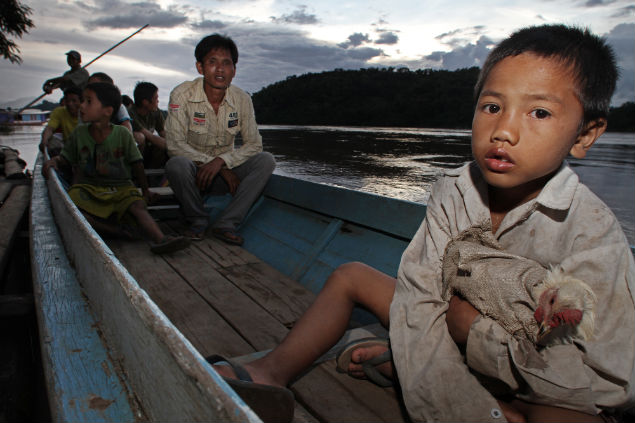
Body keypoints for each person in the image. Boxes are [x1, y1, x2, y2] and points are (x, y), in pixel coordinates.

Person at [210, 24, 635, 422]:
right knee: (351, 275)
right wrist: (467, 397)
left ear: (585, 134)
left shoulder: (593, 236)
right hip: (449, 324)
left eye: (539, 113)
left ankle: (421, 368)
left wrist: (475, 337)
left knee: (567, 413)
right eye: (492, 106)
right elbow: (420, 302)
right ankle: (271, 371)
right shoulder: (454, 190)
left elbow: (608, 382)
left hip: (536, 370)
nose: (504, 130)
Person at [42, 82, 190, 255]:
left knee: (137, 205)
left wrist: (145, 191)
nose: (82, 106)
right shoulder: (79, 134)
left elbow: (137, 164)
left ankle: (161, 239)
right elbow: (67, 158)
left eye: (88, 101)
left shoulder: (122, 134)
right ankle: (118, 231)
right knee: (73, 202)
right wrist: (56, 160)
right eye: (83, 101)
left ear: (107, 111)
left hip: (121, 187)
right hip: (90, 188)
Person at [164, 34, 276, 245]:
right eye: (212, 62)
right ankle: (197, 220)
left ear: (234, 70)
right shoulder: (182, 95)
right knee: (176, 164)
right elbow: (174, 144)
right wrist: (214, 164)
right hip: (194, 177)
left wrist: (223, 162)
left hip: (225, 177)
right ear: (200, 67)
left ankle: (226, 224)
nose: (220, 69)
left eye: (226, 63)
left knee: (266, 160)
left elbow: (255, 144)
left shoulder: (242, 99)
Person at [128, 82, 168, 169]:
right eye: (156, 98)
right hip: (135, 151)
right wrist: (174, 147)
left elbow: (163, 133)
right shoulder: (131, 114)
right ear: (145, 102)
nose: (158, 101)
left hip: (150, 149)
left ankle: (152, 173)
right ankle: (136, 171)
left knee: (164, 144)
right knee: (140, 137)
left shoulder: (156, 112)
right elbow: (150, 136)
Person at [39, 86, 82, 155]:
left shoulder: (87, 113)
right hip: (69, 147)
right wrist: (44, 141)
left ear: (82, 102)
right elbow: (49, 128)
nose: (70, 104)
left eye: (74, 101)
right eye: (67, 101)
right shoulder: (59, 112)